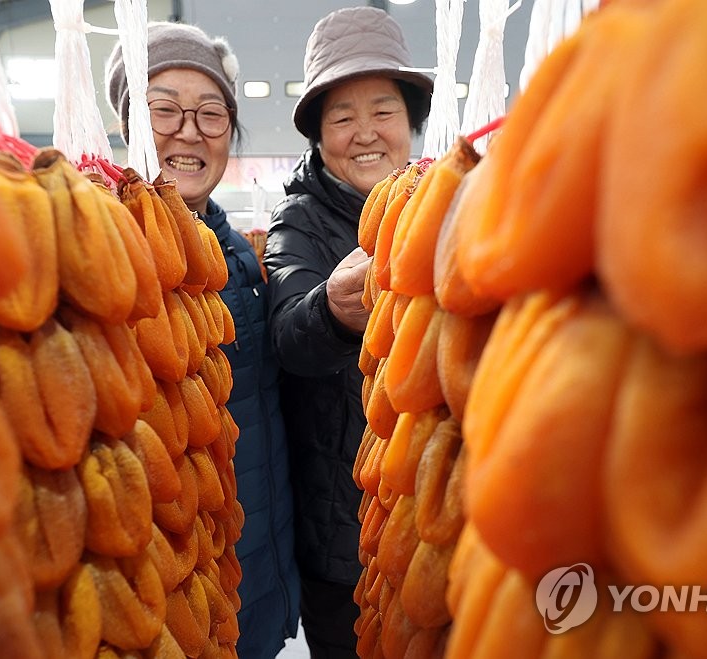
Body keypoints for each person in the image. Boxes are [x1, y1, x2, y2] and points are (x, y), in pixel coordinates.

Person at [107, 23, 299, 659]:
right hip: (167, 581)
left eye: (211, 114)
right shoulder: (103, 263)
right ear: (129, 122)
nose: (188, 132)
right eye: (164, 109)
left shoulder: (244, 259)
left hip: (254, 563)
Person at [263, 7, 432, 658]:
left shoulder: (444, 206)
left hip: (432, 506)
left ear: (409, 121)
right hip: (344, 529)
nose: (365, 133)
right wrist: (331, 309)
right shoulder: (297, 222)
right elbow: (289, 334)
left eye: (382, 110)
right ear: (318, 135)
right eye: (342, 116)